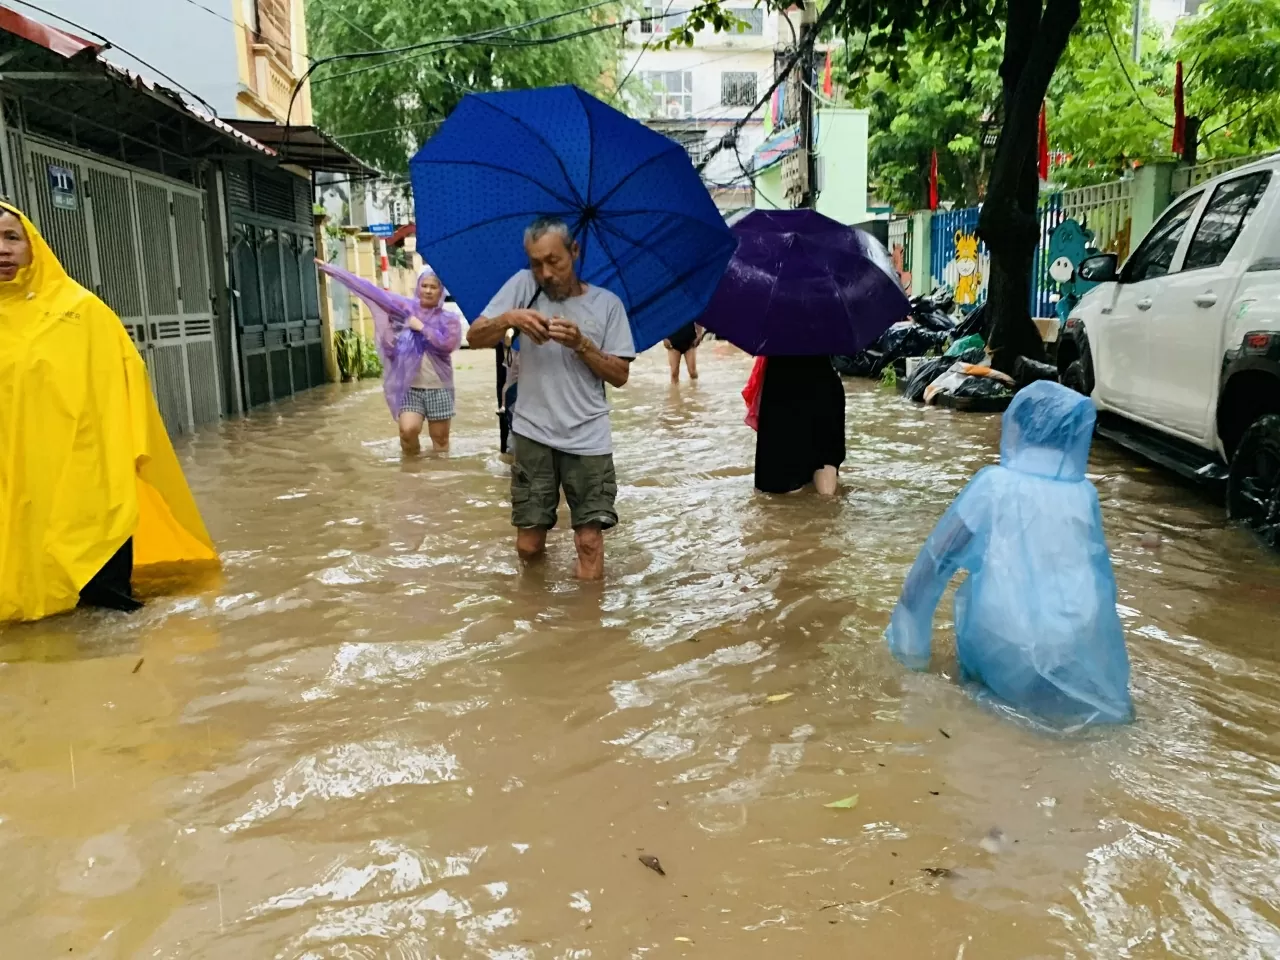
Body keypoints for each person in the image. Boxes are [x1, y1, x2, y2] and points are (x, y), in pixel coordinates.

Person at [0, 201, 218, 622]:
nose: (3, 249)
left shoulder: (78, 310)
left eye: (12, 237)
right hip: (12, 471)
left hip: (80, 465)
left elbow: (125, 374)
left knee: (103, 606)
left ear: (33, 246)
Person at [884, 381, 1133, 727]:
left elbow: (930, 571)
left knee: (991, 710)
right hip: (1079, 655)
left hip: (1008, 649)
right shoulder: (1083, 494)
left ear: (1015, 429)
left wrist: (909, 658)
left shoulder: (993, 486)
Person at [466, 216, 636, 580]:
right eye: (535, 263)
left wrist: (582, 344)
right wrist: (509, 318)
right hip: (532, 432)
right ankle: (536, 613)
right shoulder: (521, 287)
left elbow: (620, 375)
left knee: (589, 541)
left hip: (588, 437)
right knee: (528, 545)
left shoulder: (608, 305)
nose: (544, 272)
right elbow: (475, 335)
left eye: (553, 261)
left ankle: (586, 625)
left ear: (574, 252)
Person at [317, 259, 462, 454]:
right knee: (407, 431)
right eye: (424, 286)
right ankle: (412, 474)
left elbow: (447, 345)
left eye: (433, 287)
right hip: (410, 386)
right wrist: (334, 271)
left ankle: (439, 479)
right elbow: (372, 292)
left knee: (440, 441)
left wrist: (422, 327)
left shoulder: (449, 319)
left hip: (439, 387)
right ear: (418, 287)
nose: (428, 290)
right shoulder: (406, 308)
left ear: (441, 291)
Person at [752, 356, 845, 496]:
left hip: (781, 388)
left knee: (784, 477)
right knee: (826, 458)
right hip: (824, 383)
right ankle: (828, 508)